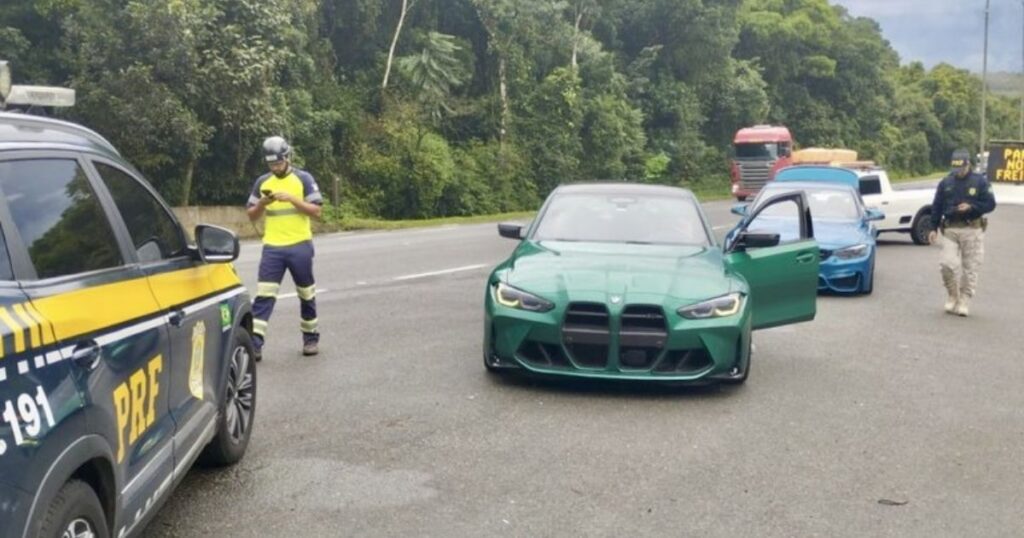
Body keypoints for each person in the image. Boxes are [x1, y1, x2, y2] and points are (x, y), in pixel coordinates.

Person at [246, 136, 324, 358]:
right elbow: (251, 215)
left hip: (300, 245)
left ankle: (310, 339)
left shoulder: (304, 179)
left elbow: (317, 212)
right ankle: (255, 344)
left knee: (306, 294)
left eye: (279, 163)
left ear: (287, 157)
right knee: (264, 296)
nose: (275, 167)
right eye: (271, 164)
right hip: (273, 247)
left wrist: (292, 199)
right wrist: (262, 203)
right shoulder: (262, 182)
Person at [927, 149, 997, 317]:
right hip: (951, 228)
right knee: (946, 264)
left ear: (968, 164)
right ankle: (953, 295)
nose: (959, 171)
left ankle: (965, 299)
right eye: (956, 168)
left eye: (962, 167)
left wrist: (972, 207)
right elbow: (936, 206)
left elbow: (990, 204)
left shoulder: (980, 181)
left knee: (970, 268)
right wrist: (932, 228)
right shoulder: (946, 182)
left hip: (972, 229)